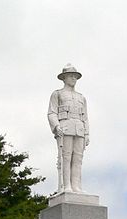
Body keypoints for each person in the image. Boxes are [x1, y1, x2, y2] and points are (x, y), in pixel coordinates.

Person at [48, 64, 89, 193]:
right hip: (65, 128)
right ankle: (67, 186)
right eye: (70, 76)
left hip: (79, 129)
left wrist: (87, 134)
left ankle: (76, 186)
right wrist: (56, 126)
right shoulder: (57, 94)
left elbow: (86, 117)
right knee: (66, 157)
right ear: (64, 78)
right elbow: (52, 113)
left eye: (75, 76)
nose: (73, 79)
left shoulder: (81, 97)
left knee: (78, 158)